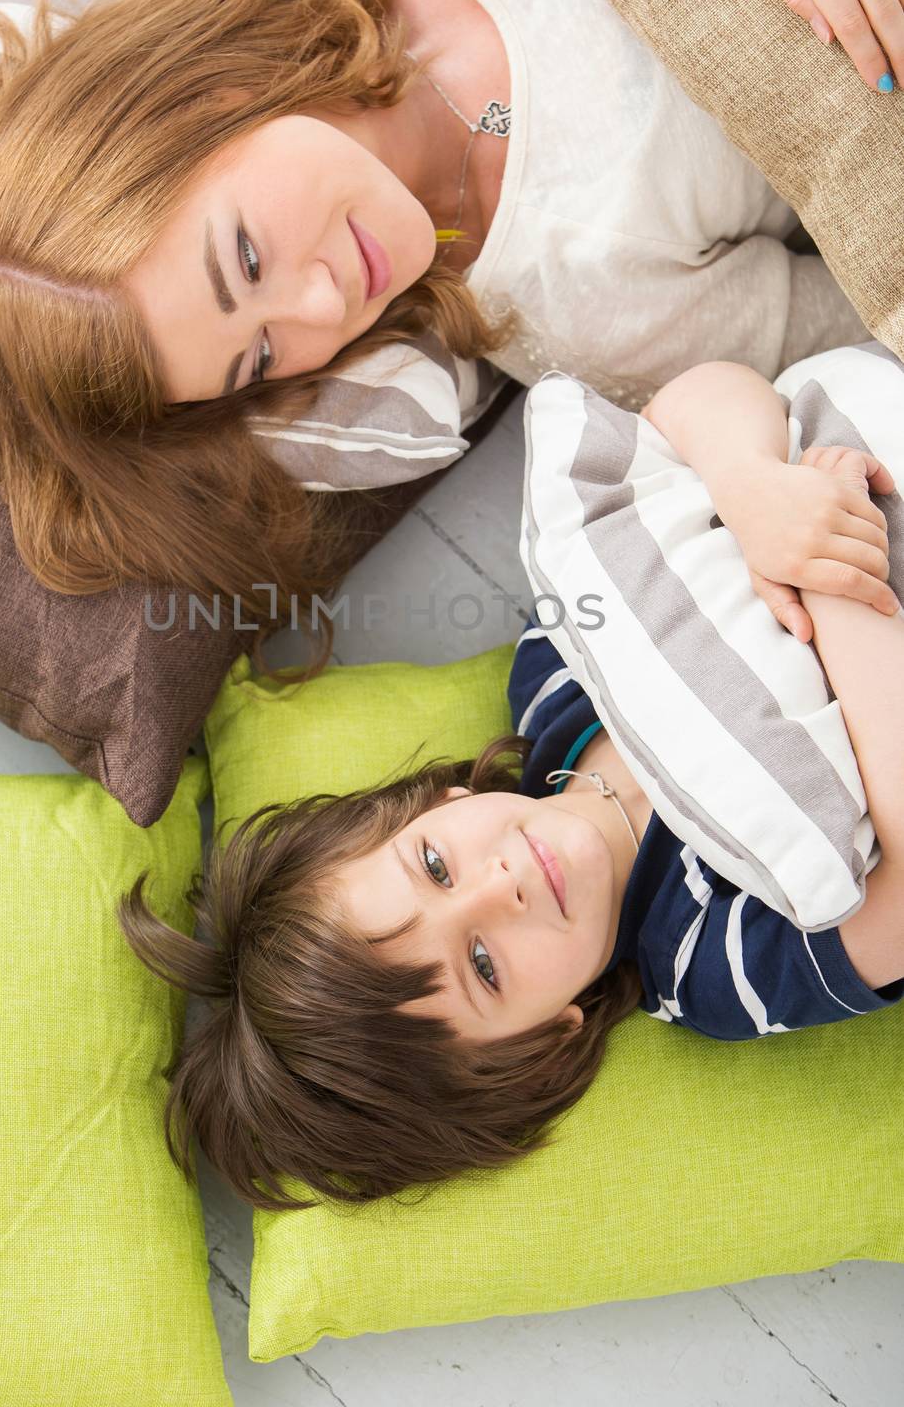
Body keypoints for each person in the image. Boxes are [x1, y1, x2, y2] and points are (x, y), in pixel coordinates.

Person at [0, 0, 900, 641]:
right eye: (258, 356)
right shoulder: (574, 309)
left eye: (243, 257)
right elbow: (870, 301)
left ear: (200, 101)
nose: (318, 306)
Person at [119, 358, 904, 1210]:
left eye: (433, 866)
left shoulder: (554, 681)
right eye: (484, 966)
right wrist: (831, 575)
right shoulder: (712, 963)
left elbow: (686, 404)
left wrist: (756, 488)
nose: (500, 886)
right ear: (546, 1038)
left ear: (432, 806)